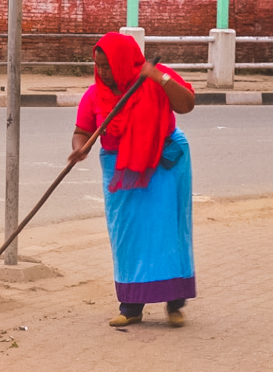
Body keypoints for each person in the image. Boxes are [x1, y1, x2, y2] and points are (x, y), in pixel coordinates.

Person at [68, 32, 196, 328]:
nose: (103, 72)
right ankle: (131, 306)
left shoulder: (153, 78)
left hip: (163, 162)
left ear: (124, 62)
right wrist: (80, 148)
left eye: (108, 66)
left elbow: (186, 104)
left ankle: (175, 302)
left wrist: (157, 78)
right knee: (127, 235)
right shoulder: (95, 95)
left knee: (167, 231)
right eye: (98, 65)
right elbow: (82, 131)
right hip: (120, 171)